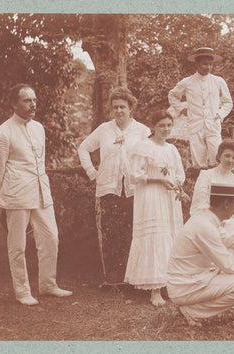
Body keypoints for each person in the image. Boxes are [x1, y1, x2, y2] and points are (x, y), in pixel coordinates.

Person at [0, 84, 73, 306]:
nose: (33, 104)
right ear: (14, 103)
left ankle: (48, 284)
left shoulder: (39, 128)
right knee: (17, 246)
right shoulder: (2, 134)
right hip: (16, 196)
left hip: (41, 193)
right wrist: (6, 197)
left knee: (51, 238)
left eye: (34, 99)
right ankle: (22, 290)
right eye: (27, 100)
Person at [167, 183, 234, 327]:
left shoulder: (205, 217)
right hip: (185, 287)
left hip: (192, 280)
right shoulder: (205, 226)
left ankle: (193, 310)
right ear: (226, 204)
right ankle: (194, 312)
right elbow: (230, 266)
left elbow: (228, 239)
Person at [78, 87, 150, 289]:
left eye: (123, 107)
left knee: (135, 232)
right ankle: (112, 280)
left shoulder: (143, 131)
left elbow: (151, 156)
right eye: (115, 107)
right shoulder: (104, 129)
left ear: (131, 108)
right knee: (111, 234)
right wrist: (92, 172)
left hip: (134, 189)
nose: (119, 111)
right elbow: (83, 148)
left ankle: (133, 279)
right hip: (108, 188)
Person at [124, 110, 185, 306]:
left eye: (169, 125)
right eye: (162, 126)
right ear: (153, 127)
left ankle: (171, 286)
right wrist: (159, 179)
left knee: (171, 236)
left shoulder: (172, 149)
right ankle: (154, 291)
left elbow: (180, 174)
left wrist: (176, 182)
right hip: (151, 197)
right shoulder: (143, 147)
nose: (166, 129)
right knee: (156, 236)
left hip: (169, 197)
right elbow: (134, 175)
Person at [168, 47, 233, 168]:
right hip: (195, 124)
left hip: (212, 124)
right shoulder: (187, 82)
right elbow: (172, 95)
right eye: (204, 64)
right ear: (196, 64)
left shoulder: (218, 81)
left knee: (216, 156)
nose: (208, 67)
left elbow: (228, 102)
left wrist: (219, 114)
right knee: (198, 159)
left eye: (210, 64)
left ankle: (216, 184)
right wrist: (181, 109)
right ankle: (201, 182)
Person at [190, 139, 234, 218]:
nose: (230, 160)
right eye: (227, 156)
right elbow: (199, 202)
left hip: (231, 219)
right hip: (208, 218)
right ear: (219, 156)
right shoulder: (206, 175)